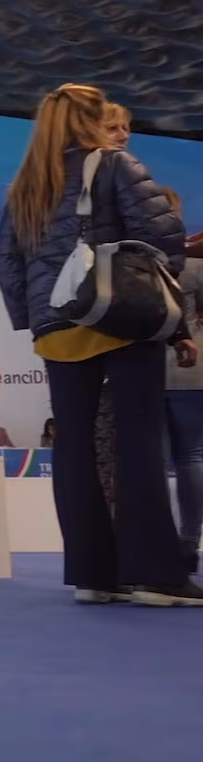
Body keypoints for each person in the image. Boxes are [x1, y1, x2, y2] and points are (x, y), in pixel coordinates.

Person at [0, 82, 202, 605]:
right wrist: (174, 320)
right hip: (120, 316)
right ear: (92, 118)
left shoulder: (25, 186)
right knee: (138, 441)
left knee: (74, 446)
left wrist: (35, 319)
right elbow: (162, 237)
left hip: (56, 325)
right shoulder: (113, 164)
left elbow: (9, 264)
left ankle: (92, 575)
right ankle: (153, 575)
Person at [164, 187, 203, 573]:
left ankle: (155, 542)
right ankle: (189, 541)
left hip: (143, 371)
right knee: (191, 457)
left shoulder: (134, 262)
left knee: (152, 462)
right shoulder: (194, 266)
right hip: (191, 367)